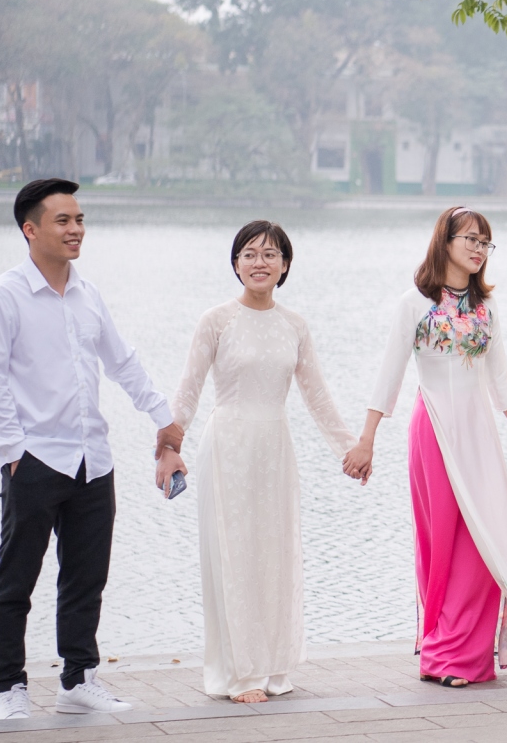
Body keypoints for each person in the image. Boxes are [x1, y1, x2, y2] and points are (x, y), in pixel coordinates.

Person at [0, 178, 183, 720]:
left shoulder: (88, 295)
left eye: (80, 219)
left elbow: (122, 362)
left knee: (86, 577)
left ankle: (78, 679)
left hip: (94, 459)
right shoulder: (1, 296)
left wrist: (165, 419)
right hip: (34, 459)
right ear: (30, 229)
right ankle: (10, 688)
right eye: (63, 221)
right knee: (16, 579)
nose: (76, 230)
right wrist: (12, 452)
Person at [344, 207, 507, 688]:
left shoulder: (487, 308)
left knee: (486, 539)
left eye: (485, 242)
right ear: (444, 241)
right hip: (435, 429)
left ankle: (466, 655)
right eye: (470, 239)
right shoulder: (415, 303)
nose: (478, 249)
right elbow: (389, 375)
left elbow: (500, 379)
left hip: (479, 434)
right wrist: (367, 440)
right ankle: (440, 654)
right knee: (444, 542)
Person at [158, 221, 356, 702]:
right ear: (235, 264)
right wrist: (168, 448)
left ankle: (271, 666)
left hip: (274, 449)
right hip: (227, 446)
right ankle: (239, 674)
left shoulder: (295, 325)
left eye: (270, 254)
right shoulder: (216, 320)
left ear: (285, 265)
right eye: (249, 254)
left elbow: (317, 396)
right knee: (234, 555)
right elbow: (188, 390)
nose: (259, 262)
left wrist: (349, 449)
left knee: (273, 555)